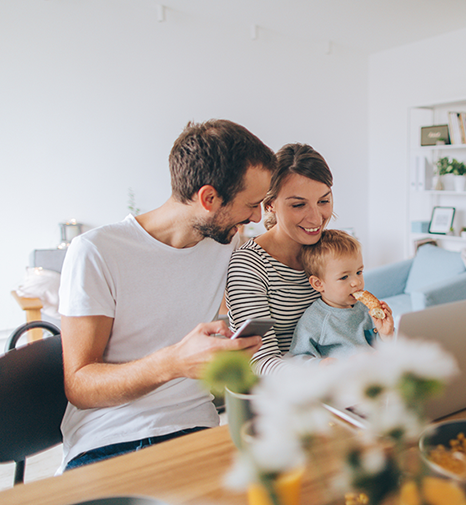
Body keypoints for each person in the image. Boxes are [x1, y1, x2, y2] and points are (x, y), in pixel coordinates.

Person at [57, 119, 277, 471]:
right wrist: (173, 362)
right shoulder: (97, 251)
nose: (256, 216)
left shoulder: (227, 244)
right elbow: (80, 385)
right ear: (208, 198)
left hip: (196, 431)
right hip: (111, 439)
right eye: (251, 204)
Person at [225, 143, 333, 375]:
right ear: (270, 204)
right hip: (285, 394)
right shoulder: (249, 265)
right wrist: (321, 371)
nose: (316, 218)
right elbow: (260, 362)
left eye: (323, 201)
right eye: (298, 205)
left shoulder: (331, 251)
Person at [288, 230, 394, 365]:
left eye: (359, 272)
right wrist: (320, 365)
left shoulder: (365, 309)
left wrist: (385, 334)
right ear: (318, 283)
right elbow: (297, 358)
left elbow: (383, 349)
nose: (356, 282)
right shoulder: (315, 319)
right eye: (344, 277)